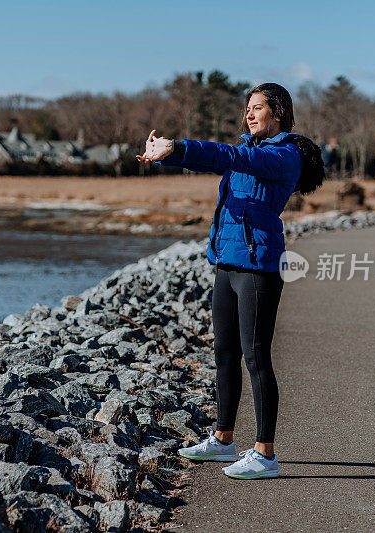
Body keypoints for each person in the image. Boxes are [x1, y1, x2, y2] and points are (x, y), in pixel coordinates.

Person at [136, 83, 324, 479]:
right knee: (224, 353)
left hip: (258, 268)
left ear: (279, 112)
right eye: (247, 109)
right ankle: (223, 441)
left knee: (256, 357)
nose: (249, 115)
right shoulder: (250, 152)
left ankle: (265, 454)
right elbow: (217, 161)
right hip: (227, 263)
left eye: (257, 109)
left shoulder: (284, 155)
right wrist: (167, 157)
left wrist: (181, 145)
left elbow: (227, 155)